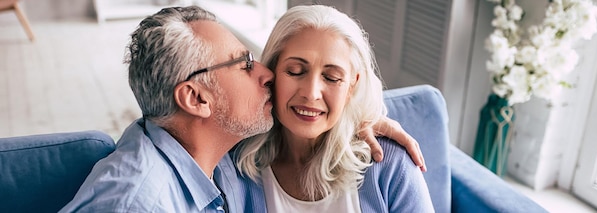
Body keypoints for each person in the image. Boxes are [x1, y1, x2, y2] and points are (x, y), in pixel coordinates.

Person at [61, 5, 424, 213]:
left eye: (333, 78)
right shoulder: (217, 173)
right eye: (245, 64)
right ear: (197, 99)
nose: (263, 73)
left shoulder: (196, 153)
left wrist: (361, 112)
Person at [235, 5, 434, 212]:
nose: (311, 93)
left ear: (352, 86)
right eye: (295, 72)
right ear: (272, 72)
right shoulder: (239, 166)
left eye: (332, 78)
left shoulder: (390, 165)